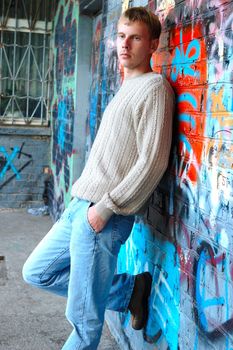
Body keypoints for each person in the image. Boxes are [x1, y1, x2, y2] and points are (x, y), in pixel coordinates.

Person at [22, 6, 174, 350]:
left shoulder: (154, 89)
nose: (125, 45)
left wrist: (106, 207)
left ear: (152, 45)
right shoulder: (126, 87)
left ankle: (126, 292)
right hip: (80, 207)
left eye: (135, 38)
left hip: (103, 215)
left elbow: (152, 162)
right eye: (121, 36)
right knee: (36, 272)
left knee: (84, 323)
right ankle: (130, 290)